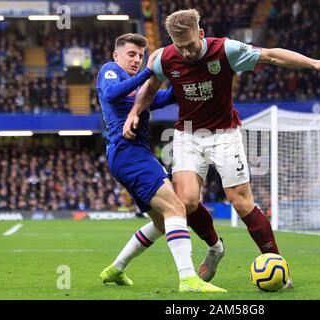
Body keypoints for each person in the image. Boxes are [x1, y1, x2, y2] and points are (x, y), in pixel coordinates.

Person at [123, 9, 320, 286]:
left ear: (200, 33)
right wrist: (134, 113)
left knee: (241, 202)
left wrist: (314, 63)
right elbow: (150, 88)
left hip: (225, 134)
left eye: (190, 45)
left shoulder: (226, 49)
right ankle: (215, 247)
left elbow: (271, 55)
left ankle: (277, 264)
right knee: (185, 202)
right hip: (188, 135)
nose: (186, 53)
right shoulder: (164, 57)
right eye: (180, 47)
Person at [97, 33, 226, 293]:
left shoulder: (138, 90)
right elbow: (111, 95)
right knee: (177, 208)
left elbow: (165, 97)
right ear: (116, 56)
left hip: (131, 155)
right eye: (131, 54)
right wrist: (147, 72)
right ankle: (189, 279)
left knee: (161, 222)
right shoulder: (110, 71)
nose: (136, 59)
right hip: (128, 153)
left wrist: (191, 76)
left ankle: (116, 269)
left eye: (140, 55)